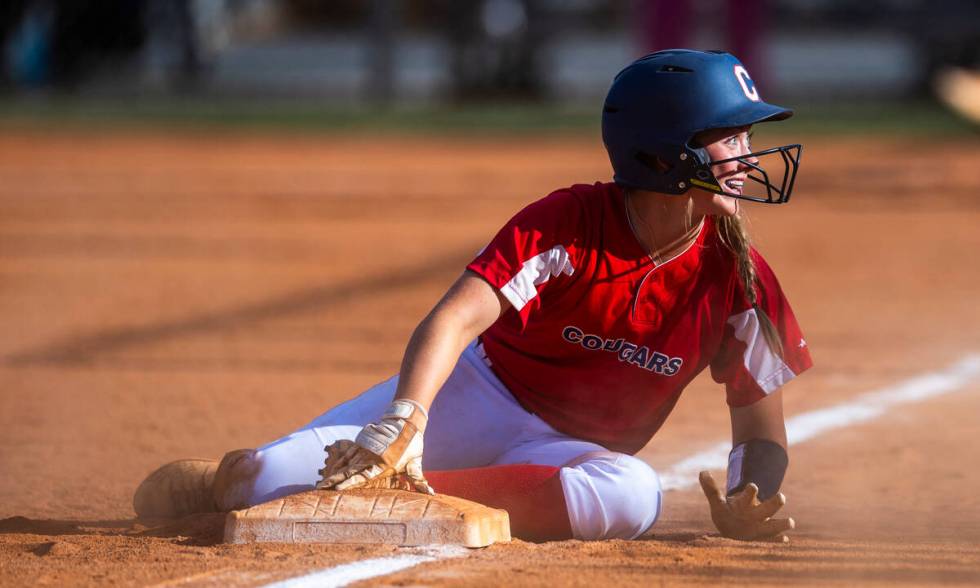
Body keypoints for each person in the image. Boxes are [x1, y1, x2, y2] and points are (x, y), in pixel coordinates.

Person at [134, 49, 811, 543]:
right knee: (262, 479)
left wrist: (756, 491)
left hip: (570, 454)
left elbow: (759, 425)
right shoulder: (570, 223)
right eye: (730, 137)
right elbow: (456, 319)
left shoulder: (740, 277)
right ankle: (226, 478)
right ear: (663, 155)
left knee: (634, 499)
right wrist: (402, 424)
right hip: (482, 396)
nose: (749, 154)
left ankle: (410, 500)